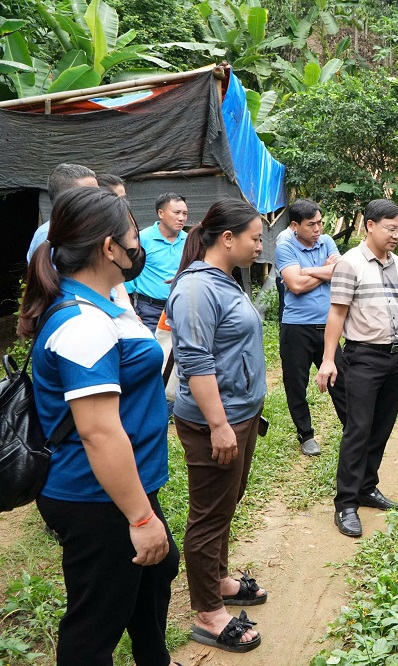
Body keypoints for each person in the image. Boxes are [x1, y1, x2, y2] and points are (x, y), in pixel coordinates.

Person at [19, 187, 180, 666]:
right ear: (110, 248)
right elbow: (98, 432)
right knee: (95, 624)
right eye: (133, 237)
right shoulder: (82, 323)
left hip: (121, 488)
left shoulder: (103, 302)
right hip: (96, 497)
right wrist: (141, 518)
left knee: (158, 569)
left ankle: (155, 657)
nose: (139, 247)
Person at [166, 198, 267, 653]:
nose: (260, 246)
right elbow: (195, 360)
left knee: (226, 503)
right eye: (255, 237)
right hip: (217, 421)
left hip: (239, 414)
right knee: (208, 515)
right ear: (228, 238)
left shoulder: (224, 280)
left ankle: (220, 579)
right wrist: (218, 424)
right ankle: (208, 613)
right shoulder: (195, 290)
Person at [315, 199, 398, 538]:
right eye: (391, 229)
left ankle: (367, 486)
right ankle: (345, 502)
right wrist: (329, 360)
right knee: (358, 430)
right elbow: (337, 313)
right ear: (370, 225)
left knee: (382, 427)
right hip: (362, 358)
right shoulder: (350, 264)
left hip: (392, 359)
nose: (397, 236)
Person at [275, 199, 346, 455]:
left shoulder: (327, 241)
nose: (317, 229)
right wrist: (324, 271)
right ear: (295, 225)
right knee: (296, 384)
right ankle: (306, 435)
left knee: (341, 380)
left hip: (328, 325)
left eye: (320, 222)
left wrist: (307, 271)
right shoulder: (284, 247)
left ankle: (352, 429)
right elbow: (295, 285)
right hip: (296, 327)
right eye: (311, 224)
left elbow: (341, 271)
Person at [128, 193, 189, 333]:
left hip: (183, 308)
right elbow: (128, 277)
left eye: (185, 214)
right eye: (177, 213)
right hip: (150, 310)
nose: (182, 218)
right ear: (160, 213)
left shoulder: (189, 241)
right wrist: (130, 310)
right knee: (154, 351)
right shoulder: (142, 239)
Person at [26, 163, 98, 263]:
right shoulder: (48, 236)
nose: (100, 199)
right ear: (66, 200)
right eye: (90, 194)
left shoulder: (90, 229)